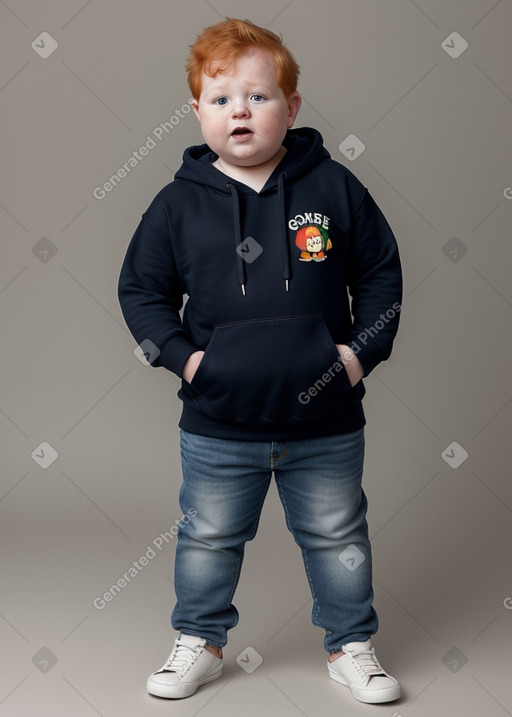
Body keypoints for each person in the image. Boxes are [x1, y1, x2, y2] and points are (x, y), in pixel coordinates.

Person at [118, 17, 403, 705]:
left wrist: (358, 357)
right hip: (219, 421)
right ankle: (200, 641)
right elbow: (141, 291)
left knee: (338, 535)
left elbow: (382, 277)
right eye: (221, 99)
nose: (239, 111)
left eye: (257, 96)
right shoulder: (177, 205)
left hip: (327, 419)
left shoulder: (334, 189)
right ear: (197, 112)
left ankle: (350, 645)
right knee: (210, 537)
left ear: (292, 107)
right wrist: (189, 364)